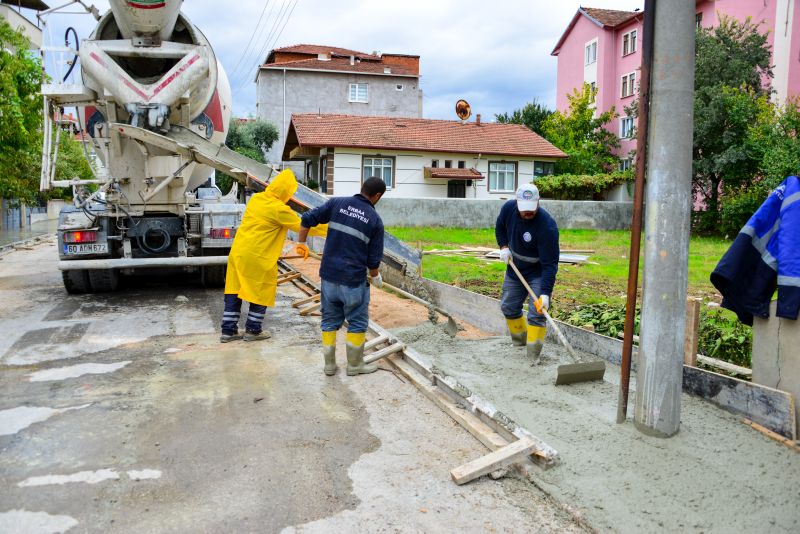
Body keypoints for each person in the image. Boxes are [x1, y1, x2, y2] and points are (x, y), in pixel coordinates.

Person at [220, 169, 326, 342]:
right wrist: (332, 226)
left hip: (238, 253)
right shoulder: (279, 210)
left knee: (234, 289)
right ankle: (253, 330)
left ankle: (228, 331)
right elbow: (304, 226)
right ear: (286, 192)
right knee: (260, 289)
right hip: (258, 256)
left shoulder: (256, 199)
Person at [296, 177, 386, 376]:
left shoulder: (338, 203)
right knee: (357, 322)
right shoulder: (374, 220)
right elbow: (373, 260)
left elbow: (306, 218)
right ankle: (354, 366)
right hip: (353, 282)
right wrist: (376, 276)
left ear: (362, 188)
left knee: (328, 321)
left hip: (328, 278)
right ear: (377, 195)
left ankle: (329, 366)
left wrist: (301, 243)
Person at [495, 183, 560, 363]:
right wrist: (503, 246)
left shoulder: (547, 227)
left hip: (538, 272)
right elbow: (500, 227)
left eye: (531, 208)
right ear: (517, 203)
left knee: (537, 313)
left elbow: (550, 264)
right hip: (515, 269)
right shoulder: (508, 209)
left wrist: (545, 293)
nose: (528, 213)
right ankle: (519, 342)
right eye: (524, 209)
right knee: (508, 306)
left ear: (538, 202)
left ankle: (533, 355)